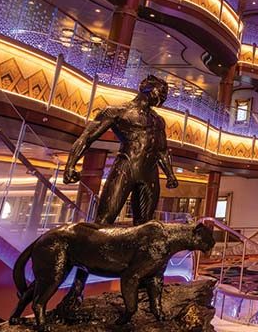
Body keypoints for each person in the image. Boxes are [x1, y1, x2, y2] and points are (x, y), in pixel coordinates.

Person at [57, 74, 180, 314]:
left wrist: (170, 174)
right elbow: (87, 137)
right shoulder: (118, 111)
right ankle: (77, 289)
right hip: (125, 169)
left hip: (149, 175)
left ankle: (145, 285)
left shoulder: (159, 121)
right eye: (161, 92)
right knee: (100, 227)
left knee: (146, 231)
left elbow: (163, 150)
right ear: (146, 88)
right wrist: (71, 165)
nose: (163, 98)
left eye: (165, 94)